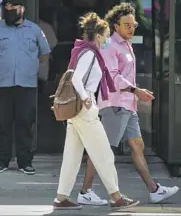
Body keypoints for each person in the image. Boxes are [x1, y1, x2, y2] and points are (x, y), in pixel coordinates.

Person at [79, 3, 179, 205]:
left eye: (133, 24)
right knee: (102, 150)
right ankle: (85, 191)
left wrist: (135, 93)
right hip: (114, 105)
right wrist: (136, 90)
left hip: (128, 105)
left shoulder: (126, 45)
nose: (131, 28)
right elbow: (113, 78)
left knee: (137, 145)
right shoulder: (110, 46)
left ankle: (154, 189)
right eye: (127, 25)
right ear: (116, 26)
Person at [52, 12, 139, 211]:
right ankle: (116, 196)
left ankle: (61, 197)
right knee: (104, 153)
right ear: (98, 36)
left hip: (78, 111)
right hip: (85, 108)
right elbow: (76, 79)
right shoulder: (90, 53)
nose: (108, 39)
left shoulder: (83, 51)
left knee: (72, 156)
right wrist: (85, 99)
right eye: (107, 35)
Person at [0, 0, 51, 175]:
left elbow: (44, 54)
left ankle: (25, 162)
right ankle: (1, 161)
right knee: (2, 123)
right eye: (7, 7)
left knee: (25, 124)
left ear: (22, 8)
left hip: (26, 85)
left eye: (13, 7)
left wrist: (28, 66)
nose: (9, 10)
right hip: (1, 85)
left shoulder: (34, 30)